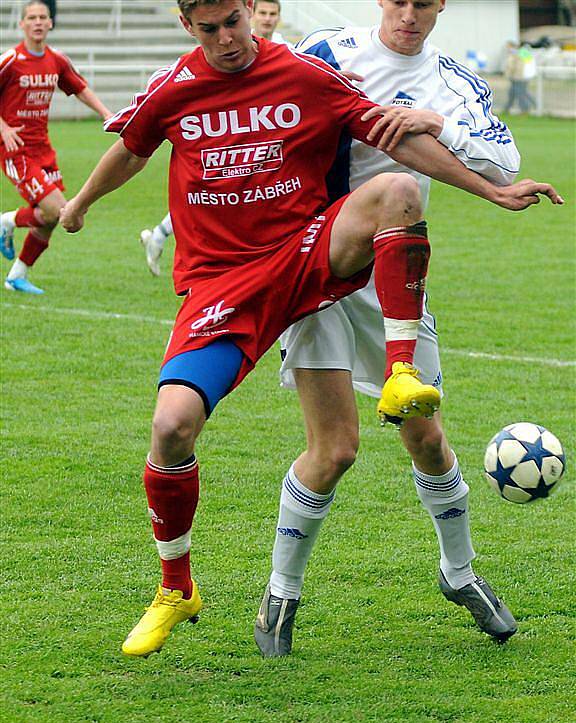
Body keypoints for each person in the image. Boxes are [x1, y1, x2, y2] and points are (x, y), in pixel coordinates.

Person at [59, 0, 560, 659]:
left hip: (363, 264)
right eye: (212, 28)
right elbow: (155, 143)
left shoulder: (404, 77)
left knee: (427, 438)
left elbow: (448, 148)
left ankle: (459, 572)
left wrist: (466, 159)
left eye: (235, 21)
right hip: (270, 270)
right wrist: (82, 203)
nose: (229, 38)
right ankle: (266, 592)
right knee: (311, 448)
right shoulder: (312, 55)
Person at [254, 0, 547, 657]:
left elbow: (504, 159)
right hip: (318, 271)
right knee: (334, 451)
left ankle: (459, 573)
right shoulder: (332, 52)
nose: (410, 14)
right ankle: (281, 591)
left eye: (424, 2)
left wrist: (435, 121)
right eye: (400, 0)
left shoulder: (453, 81)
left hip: (395, 279)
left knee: (430, 442)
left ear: (441, 5)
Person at [138, 0, 287, 276]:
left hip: (266, 153)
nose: (267, 19)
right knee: (216, 193)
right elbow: (131, 148)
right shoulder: (213, 58)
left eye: (272, 14)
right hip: (227, 150)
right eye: (264, 13)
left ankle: (159, 235)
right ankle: (160, 236)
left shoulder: (287, 53)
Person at [0, 1, 112, 294]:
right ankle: (6, 221)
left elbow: (80, 88)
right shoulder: (11, 59)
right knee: (58, 210)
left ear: (51, 23)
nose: (37, 22)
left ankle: (16, 276)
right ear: (22, 24)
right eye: (31, 18)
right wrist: (4, 128)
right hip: (16, 150)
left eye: (42, 17)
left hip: (43, 149)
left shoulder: (56, 60)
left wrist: (106, 114)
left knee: (55, 217)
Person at [504, 42, 537, 114]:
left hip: (519, 77)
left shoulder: (519, 54)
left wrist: (512, 73)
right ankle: (507, 108)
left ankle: (526, 108)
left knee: (521, 93)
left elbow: (517, 66)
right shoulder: (519, 53)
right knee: (517, 93)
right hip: (518, 77)